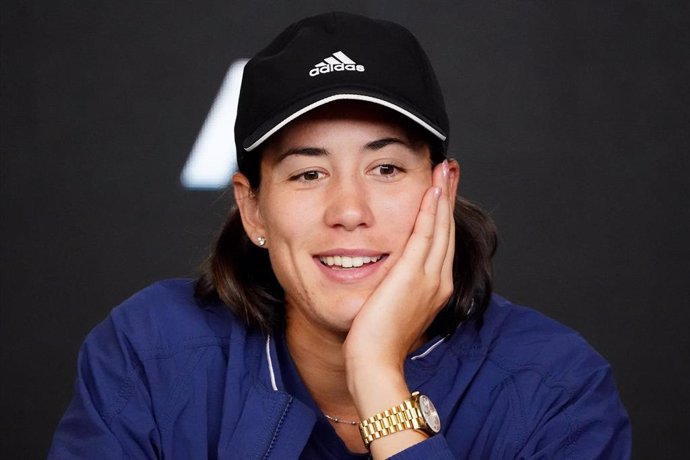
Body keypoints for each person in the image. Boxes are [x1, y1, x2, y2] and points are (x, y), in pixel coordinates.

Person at [49, 12, 631, 459]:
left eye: (386, 169)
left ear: (443, 190)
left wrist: (379, 374)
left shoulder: (557, 386)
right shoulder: (149, 353)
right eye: (309, 173)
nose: (349, 211)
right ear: (252, 210)